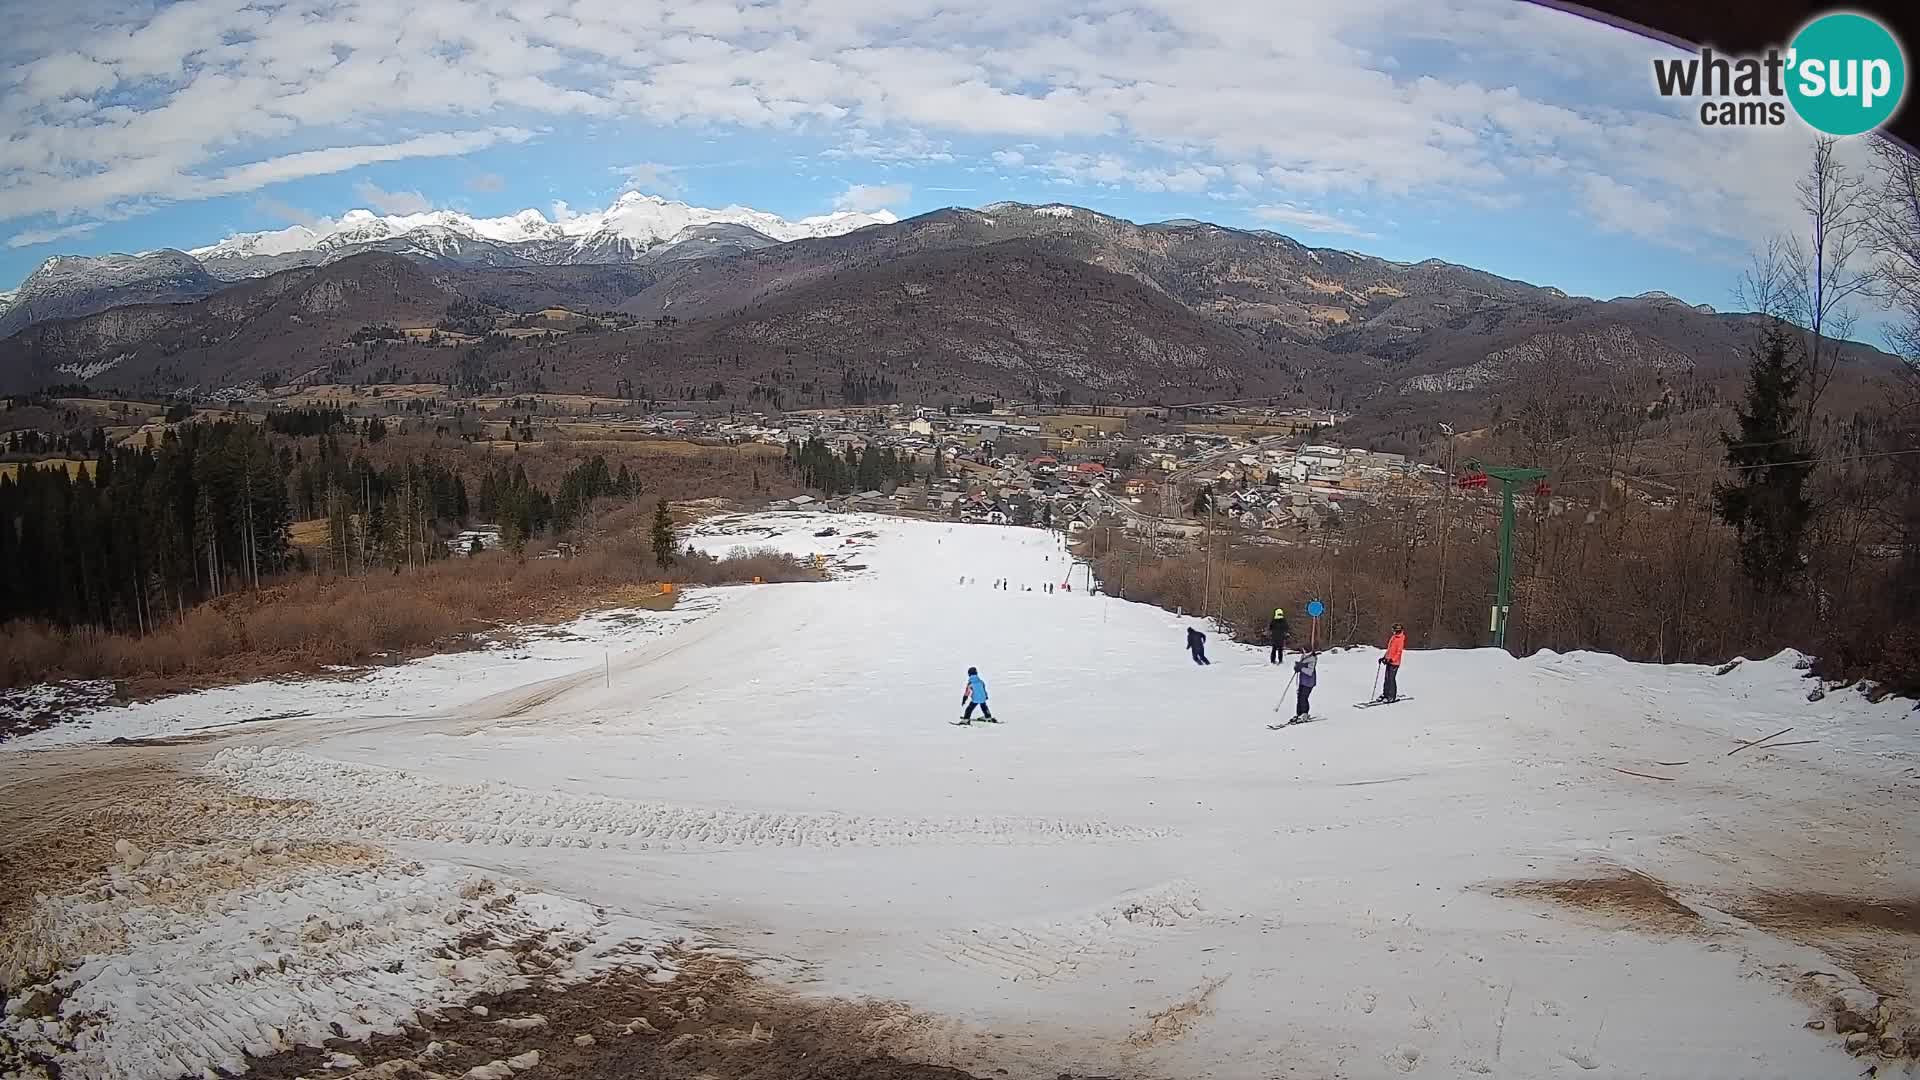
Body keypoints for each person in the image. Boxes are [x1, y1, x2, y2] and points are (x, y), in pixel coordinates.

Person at [1380, 623, 1406, 701]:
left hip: (1395, 663)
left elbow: (1399, 652)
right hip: (1389, 661)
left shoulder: (1400, 639)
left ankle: (1392, 696)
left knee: (1391, 679)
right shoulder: (1393, 638)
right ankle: (1385, 694)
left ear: (1397, 630)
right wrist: (1384, 657)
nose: (1393, 632)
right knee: (1387, 678)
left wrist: (1392, 659)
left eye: (1394, 630)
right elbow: (1390, 650)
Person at [1293, 650, 1317, 720]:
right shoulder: (1303, 656)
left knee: (1303, 698)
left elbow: (1310, 672)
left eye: (1305, 650)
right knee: (1299, 697)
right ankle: (1299, 714)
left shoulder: (1312, 658)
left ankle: (1304, 714)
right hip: (1302, 681)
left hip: (1309, 682)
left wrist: (1301, 668)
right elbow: (1301, 666)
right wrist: (1297, 667)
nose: (1304, 651)